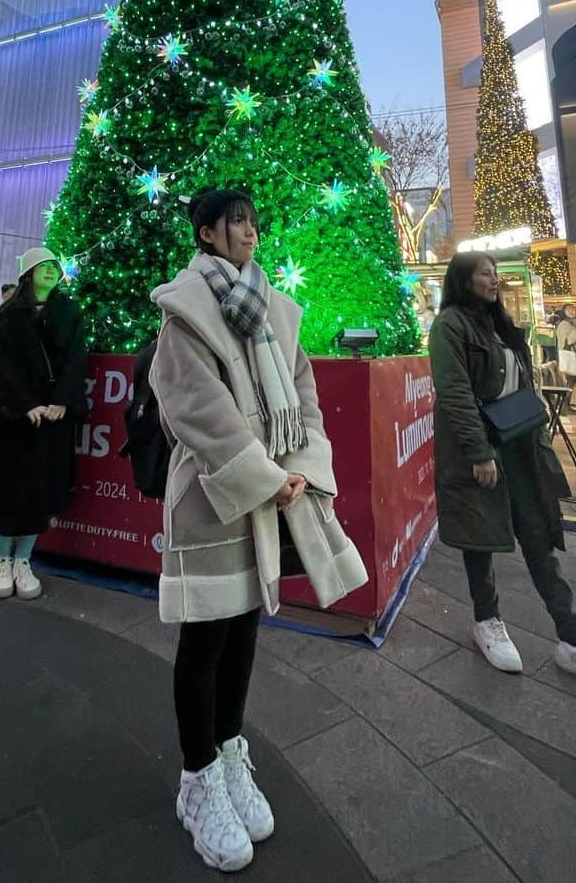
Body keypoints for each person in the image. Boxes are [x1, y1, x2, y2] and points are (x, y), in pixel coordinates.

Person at [150, 189, 367, 873]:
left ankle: (230, 750)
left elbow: (303, 394)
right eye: (236, 220)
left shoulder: (276, 309)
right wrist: (266, 475)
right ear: (208, 233)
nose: (250, 230)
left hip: (271, 495)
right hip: (215, 498)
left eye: (253, 219)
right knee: (207, 632)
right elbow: (195, 408)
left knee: (244, 626)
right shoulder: (184, 312)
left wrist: (299, 468)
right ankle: (198, 777)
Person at [430, 252, 576, 691]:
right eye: (485, 273)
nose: (494, 279)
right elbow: (454, 392)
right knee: (479, 536)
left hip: (520, 444)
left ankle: (575, 639)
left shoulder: (499, 324)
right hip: (482, 448)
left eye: (494, 272)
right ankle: (487, 620)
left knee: (537, 534)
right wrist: (478, 451)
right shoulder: (450, 325)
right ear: (464, 280)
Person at [0, 248, 88, 602]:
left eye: (54, 266)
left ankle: (24, 560)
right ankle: (1, 560)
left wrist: (62, 401)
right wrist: (24, 404)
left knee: (40, 489)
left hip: (53, 418)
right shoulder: (8, 315)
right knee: (4, 485)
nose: (50, 271)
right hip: (13, 416)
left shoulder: (69, 311)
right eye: (43, 267)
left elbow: (76, 359)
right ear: (28, 273)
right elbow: (0, 364)